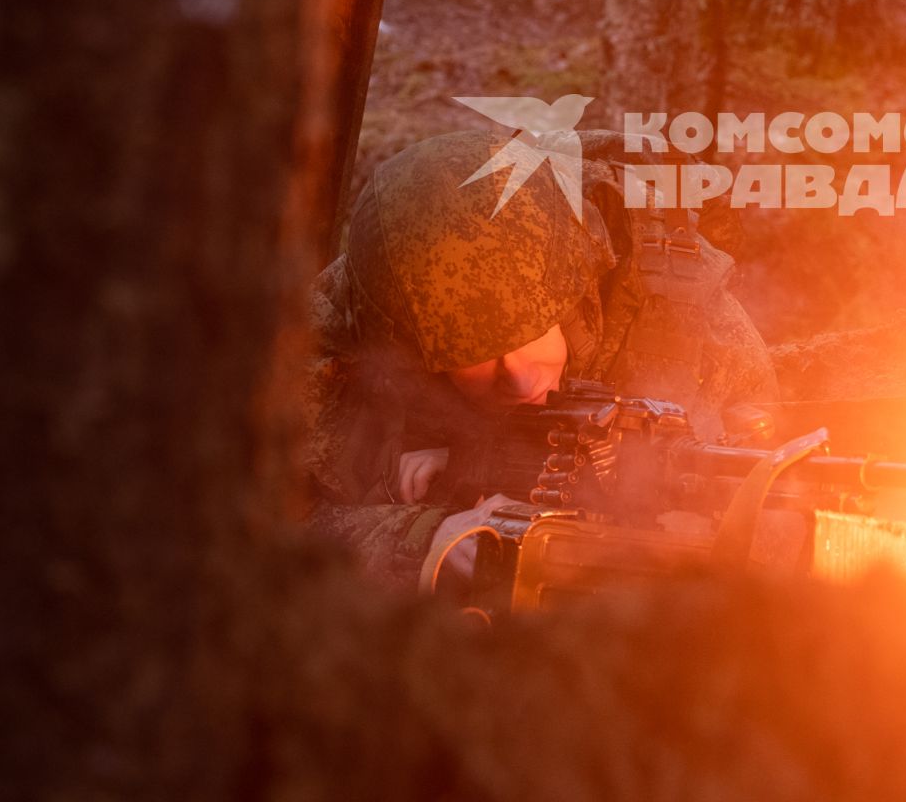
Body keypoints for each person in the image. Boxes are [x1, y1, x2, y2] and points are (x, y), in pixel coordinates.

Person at [301, 129, 776, 590]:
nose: (519, 374)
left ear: (574, 288)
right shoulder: (336, 328)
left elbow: (769, 534)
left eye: (531, 333)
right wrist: (421, 539)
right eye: (474, 357)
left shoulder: (690, 322)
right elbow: (253, 524)